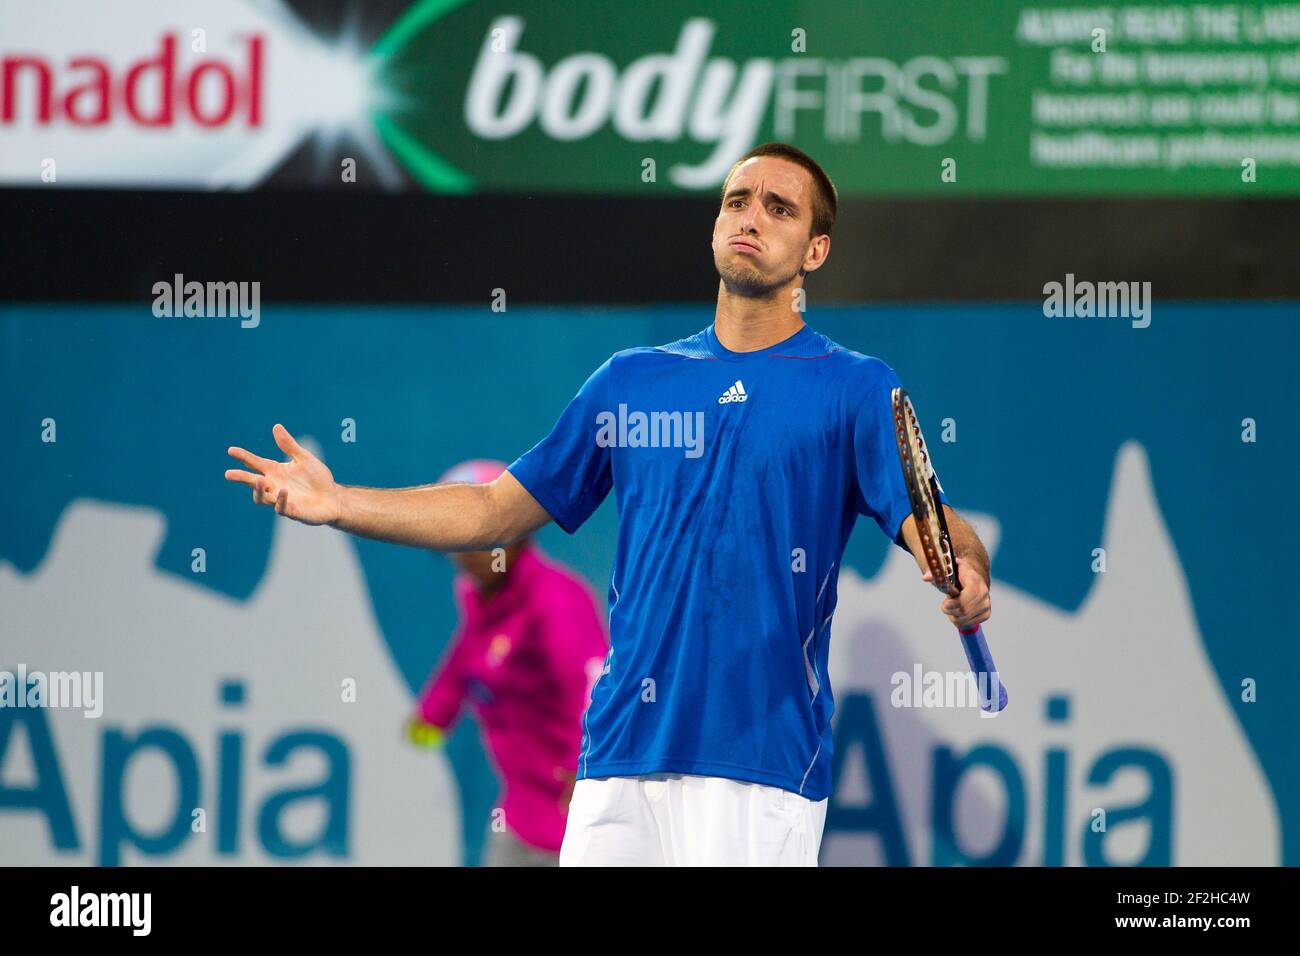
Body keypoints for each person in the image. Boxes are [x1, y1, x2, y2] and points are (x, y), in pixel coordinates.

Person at [225, 142, 992, 866]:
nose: (751, 217)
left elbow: (936, 526)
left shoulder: (855, 389)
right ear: (716, 225)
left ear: (815, 251)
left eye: (779, 209)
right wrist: (338, 503)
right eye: (736, 201)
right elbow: (492, 513)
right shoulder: (629, 381)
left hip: (759, 770)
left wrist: (965, 566)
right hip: (617, 761)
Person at [403, 459, 608, 866]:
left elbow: (592, 690)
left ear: (514, 532)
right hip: (518, 818)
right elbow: (464, 661)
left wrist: (587, 772)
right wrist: (429, 722)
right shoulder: (479, 601)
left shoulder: (558, 602)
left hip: (573, 825)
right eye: (456, 540)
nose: (467, 554)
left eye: (478, 537)